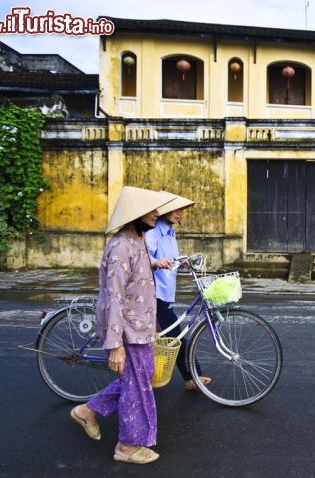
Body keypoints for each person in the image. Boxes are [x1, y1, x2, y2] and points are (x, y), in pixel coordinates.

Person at [69, 186, 176, 465]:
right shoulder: (120, 247)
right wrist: (115, 345)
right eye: (151, 211)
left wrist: (154, 265)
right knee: (136, 386)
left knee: (141, 377)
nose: (156, 214)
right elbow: (113, 298)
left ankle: (88, 410)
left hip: (140, 325)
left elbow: (137, 272)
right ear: (135, 215)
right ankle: (127, 447)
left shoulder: (137, 240)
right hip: (126, 330)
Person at [145, 193, 211, 391]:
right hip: (153, 293)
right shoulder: (153, 233)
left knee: (164, 337)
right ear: (164, 211)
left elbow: (171, 260)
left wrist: (183, 263)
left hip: (165, 292)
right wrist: (155, 263)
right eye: (175, 210)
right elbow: (142, 260)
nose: (179, 214)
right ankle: (192, 377)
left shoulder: (170, 232)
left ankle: (154, 376)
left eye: (181, 210)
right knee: (176, 337)